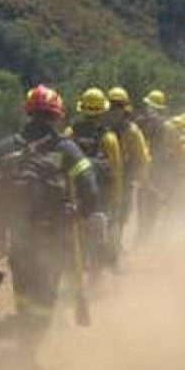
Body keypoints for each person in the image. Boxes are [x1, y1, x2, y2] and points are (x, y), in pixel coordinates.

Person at [0, 85, 101, 351]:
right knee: (45, 295)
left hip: (19, 234)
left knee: (23, 290)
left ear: (28, 112)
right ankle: (29, 348)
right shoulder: (67, 149)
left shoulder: (4, 148)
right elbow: (90, 188)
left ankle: (24, 336)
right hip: (53, 235)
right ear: (57, 116)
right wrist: (80, 213)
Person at [69, 88, 123, 271]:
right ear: (102, 111)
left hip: (76, 195)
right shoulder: (109, 137)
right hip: (101, 197)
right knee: (102, 235)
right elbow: (116, 171)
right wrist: (116, 198)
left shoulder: (70, 133)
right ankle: (102, 269)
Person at [107, 87, 151, 255]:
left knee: (122, 213)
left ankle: (115, 244)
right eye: (112, 105)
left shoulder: (132, 131)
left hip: (124, 178)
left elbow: (142, 157)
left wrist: (142, 179)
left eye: (117, 106)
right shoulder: (102, 127)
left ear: (124, 108)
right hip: (106, 176)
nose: (114, 109)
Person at [133, 89, 172, 245]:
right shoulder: (163, 125)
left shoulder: (144, 123)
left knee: (146, 200)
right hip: (153, 166)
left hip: (149, 166)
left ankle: (144, 235)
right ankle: (144, 234)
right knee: (149, 201)